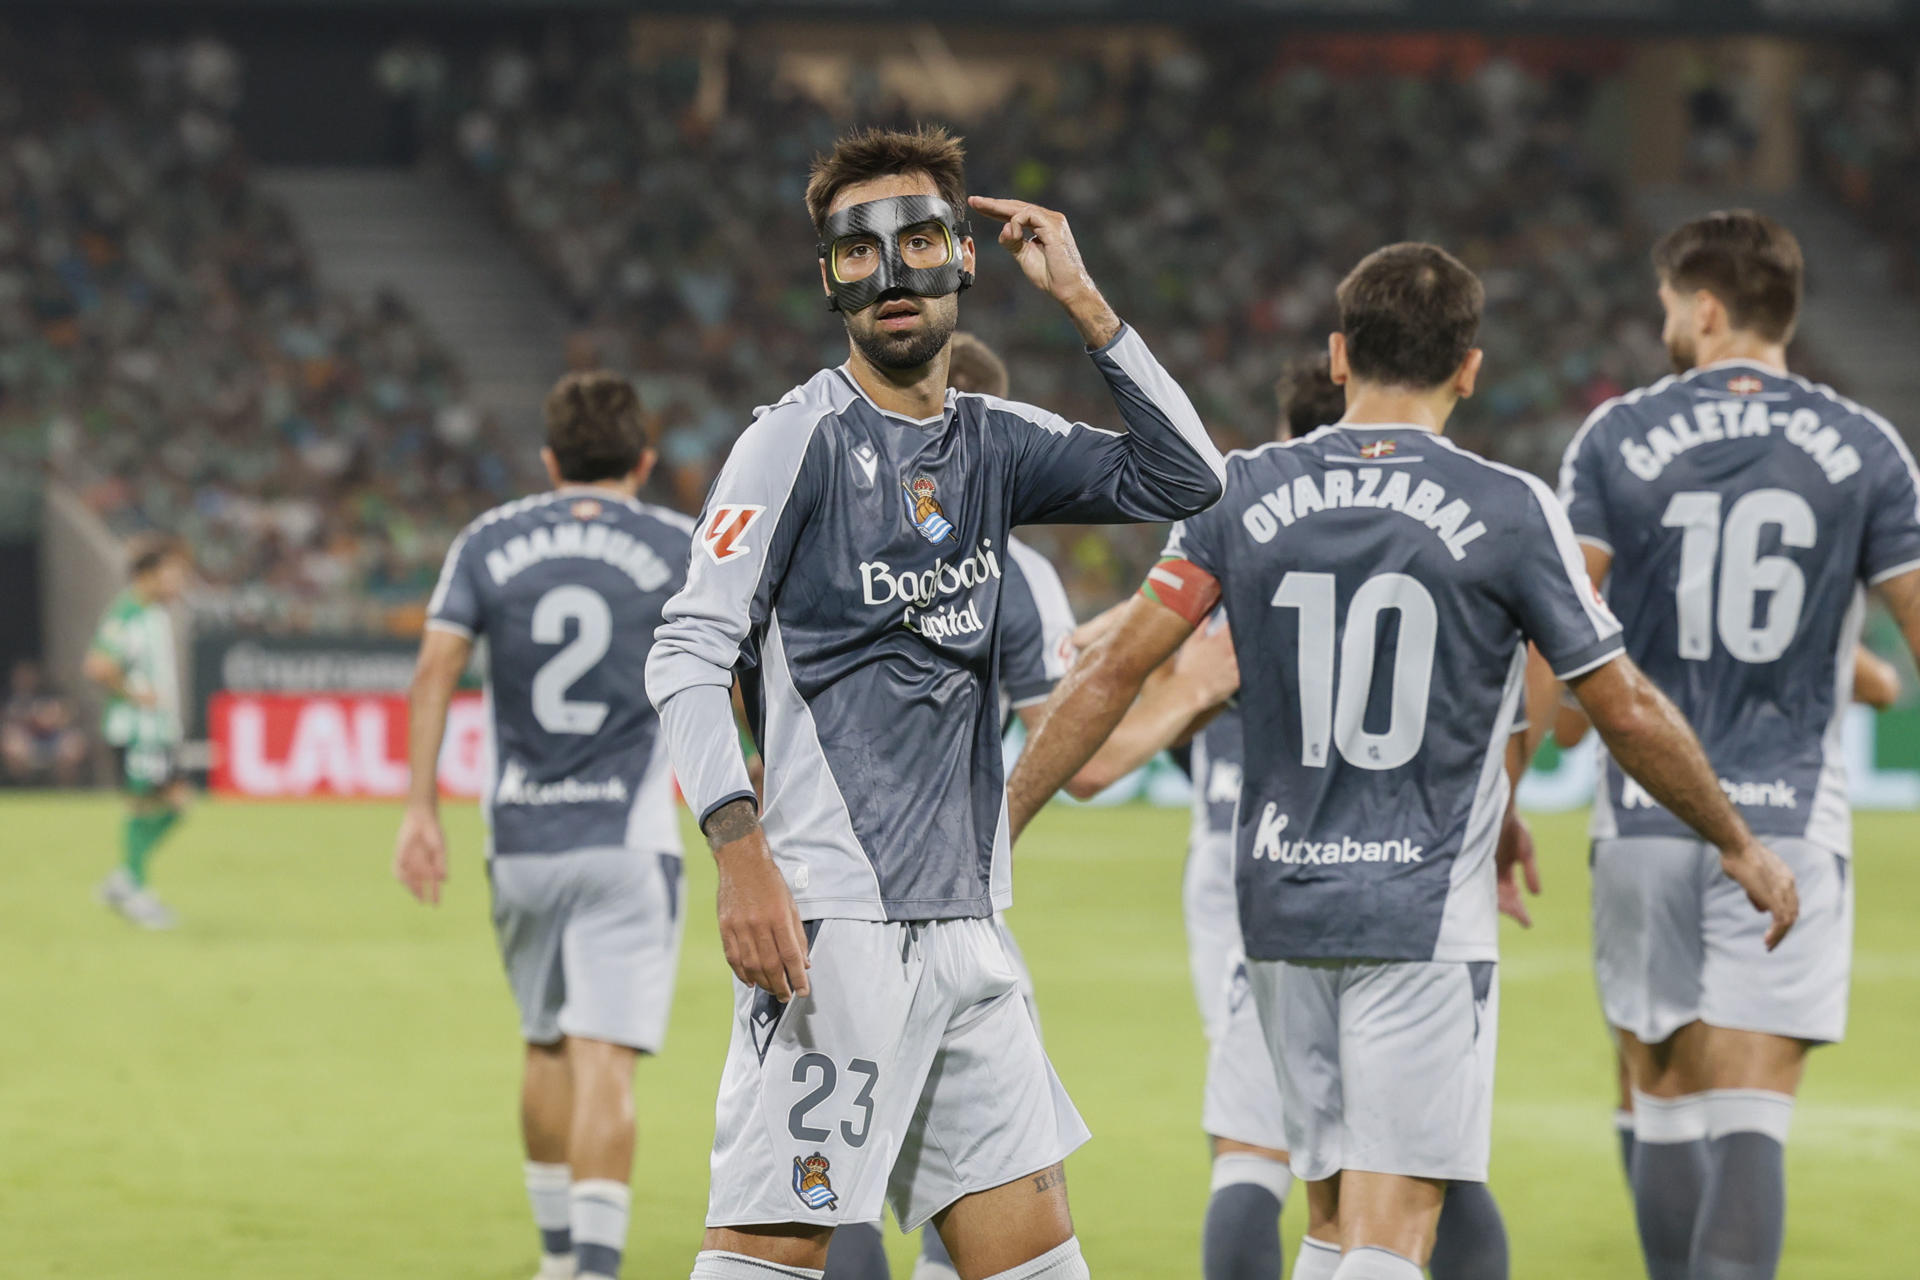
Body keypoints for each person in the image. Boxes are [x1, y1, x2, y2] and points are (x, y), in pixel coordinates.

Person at [1004, 242, 1798, 1280]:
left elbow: (1111, 677)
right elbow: (1628, 707)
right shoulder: (1511, 506)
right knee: (1394, 1228)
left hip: (1279, 909)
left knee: (1329, 1218)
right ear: (1469, 367)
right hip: (1419, 917)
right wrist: (1736, 838)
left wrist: (1002, 820)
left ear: (1339, 356)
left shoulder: (1238, 490)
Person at [644, 124, 1225, 1280]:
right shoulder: (789, 441)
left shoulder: (998, 444)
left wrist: (1086, 302)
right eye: (860, 254)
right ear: (829, 280)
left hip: (969, 929)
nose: (893, 275)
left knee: (1036, 1263)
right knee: (770, 1252)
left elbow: (1189, 480)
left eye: (918, 241)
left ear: (963, 255)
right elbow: (686, 650)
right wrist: (737, 848)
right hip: (836, 926)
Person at [1060, 355, 1513, 1280]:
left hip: (1261, 871)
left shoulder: (1247, 533)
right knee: (1427, 1170)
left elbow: (1118, 703)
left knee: (1261, 1153)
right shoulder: (1445, 536)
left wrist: (1135, 656)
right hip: (1404, 876)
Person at [1557, 210, 1920, 1280]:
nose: (1666, 321)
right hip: (1794, 814)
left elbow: (1565, 617)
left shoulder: (1615, 436)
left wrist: (1523, 757)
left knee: (1661, 1102)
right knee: (1753, 1110)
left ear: (1706, 308)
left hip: (1642, 814)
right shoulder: (1866, 446)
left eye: (1671, 304)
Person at [393, 371, 695, 1280]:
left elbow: (435, 671)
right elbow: (731, 666)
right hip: (630, 839)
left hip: (518, 836)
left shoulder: (488, 539)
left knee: (545, 1040)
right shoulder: (679, 542)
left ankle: (558, 1258)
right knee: (608, 1058)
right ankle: (595, 1268)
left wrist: (419, 811)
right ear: (643, 461)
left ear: (549, 461)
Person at [823, 330, 1080, 1280]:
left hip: (826, 901)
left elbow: (717, 663)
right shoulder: (1015, 572)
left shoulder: (816, 521)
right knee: (980, 1165)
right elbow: (1071, 739)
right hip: (947, 906)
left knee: (832, 1174)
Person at [86, 535, 192, 929]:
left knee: (179, 804)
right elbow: (97, 666)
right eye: (172, 574)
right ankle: (138, 893)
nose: (178, 581)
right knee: (144, 805)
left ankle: (124, 879)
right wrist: (135, 694)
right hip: (136, 730)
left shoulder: (156, 614)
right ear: (148, 576)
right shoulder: (126, 614)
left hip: (158, 730)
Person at [2, 661, 90, 787]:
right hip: (26, 741)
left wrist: (51, 717)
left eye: (29, 674)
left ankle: (66, 790)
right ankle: (22, 788)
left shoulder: (52, 691)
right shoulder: (8, 695)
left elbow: (70, 712)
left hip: (54, 739)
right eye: (21, 675)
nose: (25, 678)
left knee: (74, 744)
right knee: (11, 743)